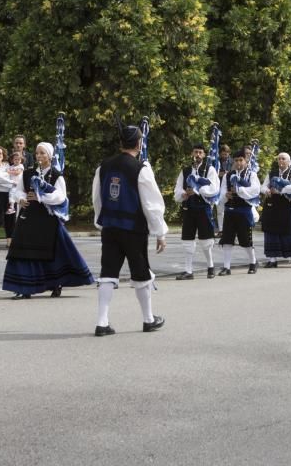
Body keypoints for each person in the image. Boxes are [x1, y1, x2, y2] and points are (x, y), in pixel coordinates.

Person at [92, 122, 168, 336]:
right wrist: (160, 232)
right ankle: (148, 319)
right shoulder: (141, 169)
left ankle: (102, 322)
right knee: (141, 273)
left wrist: (101, 221)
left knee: (107, 273)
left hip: (110, 227)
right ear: (139, 143)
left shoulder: (103, 166)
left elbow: (97, 198)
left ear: (120, 143)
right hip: (133, 229)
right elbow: (152, 205)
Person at [3, 142, 93, 299]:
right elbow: (18, 191)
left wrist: (40, 196)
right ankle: (24, 287)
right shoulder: (28, 173)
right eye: (37, 153)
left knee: (53, 252)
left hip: (48, 219)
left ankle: (56, 284)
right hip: (28, 217)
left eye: (43, 153)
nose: (39, 156)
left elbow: (60, 197)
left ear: (50, 156)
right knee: (24, 251)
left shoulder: (56, 175)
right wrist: (21, 199)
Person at [173, 143, 219, 280]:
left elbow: (214, 188)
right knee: (188, 240)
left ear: (204, 155)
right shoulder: (185, 170)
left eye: (200, 152)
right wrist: (184, 194)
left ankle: (210, 267)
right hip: (189, 209)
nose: (197, 155)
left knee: (206, 240)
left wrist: (198, 191)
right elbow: (177, 189)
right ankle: (188, 271)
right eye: (195, 152)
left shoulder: (209, 169)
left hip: (203, 209)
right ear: (192, 154)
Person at [261, 152, 291, 268]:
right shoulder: (272, 173)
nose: (280, 161)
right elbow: (263, 186)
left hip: (287, 206)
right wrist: (266, 191)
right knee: (271, 231)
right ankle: (272, 259)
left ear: (288, 162)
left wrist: (280, 190)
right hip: (273, 205)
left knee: (290, 232)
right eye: (279, 159)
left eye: (283, 159)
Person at [218, 149, 261, 276]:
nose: (238, 163)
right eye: (236, 160)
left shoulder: (251, 174)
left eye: (241, 160)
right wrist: (226, 195)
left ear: (246, 161)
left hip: (244, 211)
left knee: (246, 240)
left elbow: (255, 191)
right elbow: (221, 194)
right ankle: (226, 267)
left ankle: (253, 262)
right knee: (227, 240)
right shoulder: (227, 175)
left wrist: (239, 191)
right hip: (230, 211)